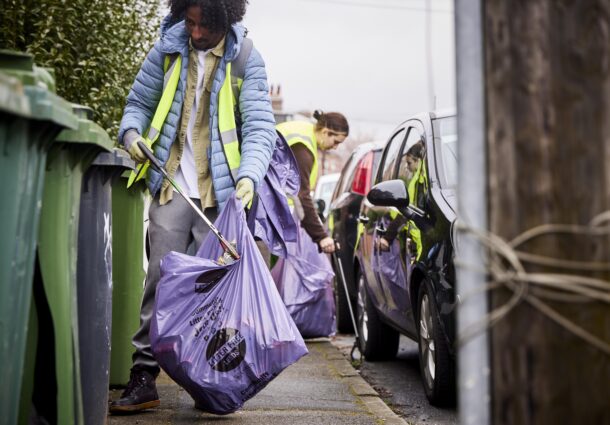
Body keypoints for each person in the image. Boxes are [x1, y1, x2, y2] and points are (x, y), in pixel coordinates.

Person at [109, 0, 276, 413]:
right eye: (191, 22)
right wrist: (131, 136)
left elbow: (259, 127)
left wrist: (249, 177)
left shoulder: (245, 60)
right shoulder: (166, 49)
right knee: (159, 284)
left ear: (228, 18)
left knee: (213, 295)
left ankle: (209, 382)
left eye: (206, 25)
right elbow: (136, 106)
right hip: (171, 186)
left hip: (221, 197)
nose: (197, 32)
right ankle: (143, 375)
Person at [276, 111, 349, 254]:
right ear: (326, 132)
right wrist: (321, 237)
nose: (335, 147)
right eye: (336, 142)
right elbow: (301, 195)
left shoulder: (304, 131)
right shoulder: (303, 149)